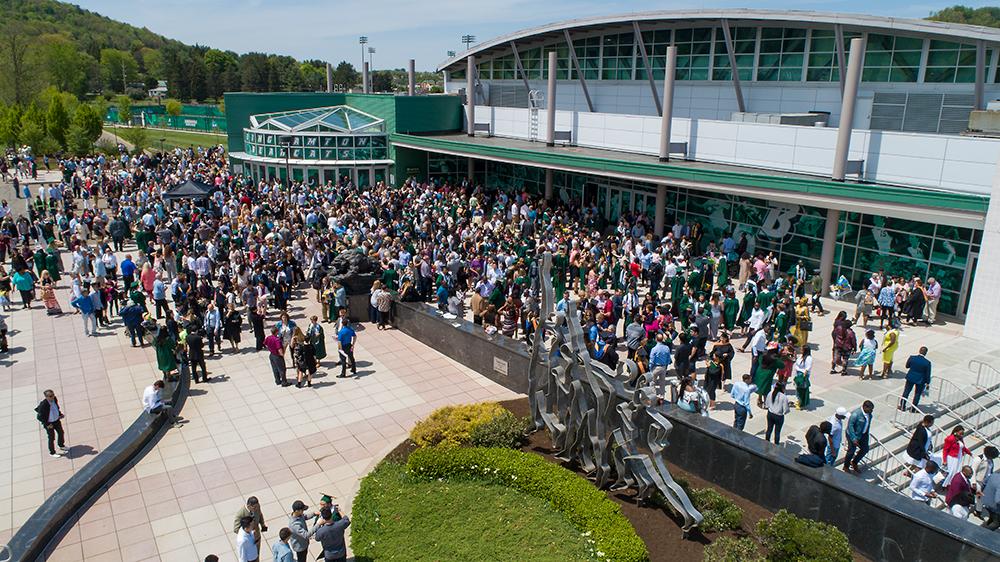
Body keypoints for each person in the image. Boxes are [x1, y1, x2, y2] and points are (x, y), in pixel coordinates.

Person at [35, 389, 68, 457]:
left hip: (56, 421)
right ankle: (52, 452)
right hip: (49, 424)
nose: (52, 397)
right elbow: (39, 417)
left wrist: (59, 414)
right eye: (50, 396)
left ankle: (61, 445)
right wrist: (47, 424)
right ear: (46, 397)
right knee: (51, 437)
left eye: (53, 395)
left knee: (61, 432)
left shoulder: (54, 399)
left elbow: (56, 408)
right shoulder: (43, 405)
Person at [844, 400, 874, 474]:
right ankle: (846, 466)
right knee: (851, 451)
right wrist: (854, 438)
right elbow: (850, 426)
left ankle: (854, 462)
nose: (871, 411)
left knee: (865, 449)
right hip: (853, 435)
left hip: (863, 435)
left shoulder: (869, 415)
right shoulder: (856, 414)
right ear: (864, 407)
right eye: (870, 409)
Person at [899, 346, 931, 412]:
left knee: (906, 392)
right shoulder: (927, 363)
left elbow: (907, 366)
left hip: (910, 377)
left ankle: (902, 406)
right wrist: (928, 382)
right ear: (925, 353)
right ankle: (913, 409)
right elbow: (928, 374)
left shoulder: (912, 358)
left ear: (919, 351)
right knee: (917, 394)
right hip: (920, 380)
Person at [973, 446, 998, 518]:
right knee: (980, 497)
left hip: (986, 482)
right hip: (978, 481)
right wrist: (974, 482)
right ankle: (978, 511)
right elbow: (973, 471)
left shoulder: (991, 461)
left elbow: (990, 471)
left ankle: (978, 510)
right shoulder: (979, 459)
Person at [649, 333, 672, 403]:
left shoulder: (654, 349)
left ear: (656, 339)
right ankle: (662, 397)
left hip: (656, 367)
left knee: (652, 382)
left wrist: (650, 368)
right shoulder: (667, 348)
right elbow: (669, 358)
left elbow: (652, 360)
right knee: (662, 382)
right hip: (663, 367)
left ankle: (653, 396)